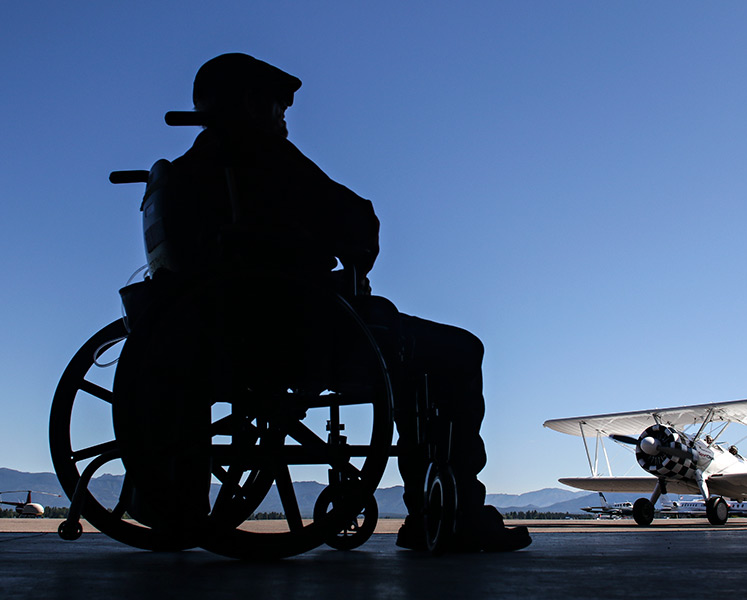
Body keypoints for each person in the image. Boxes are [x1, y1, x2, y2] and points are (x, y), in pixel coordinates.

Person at [153, 53, 530, 552]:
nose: (285, 115)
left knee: (417, 346)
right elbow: (356, 219)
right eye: (278, 104)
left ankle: (435, 511)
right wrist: (348, 267)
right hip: (297, 332)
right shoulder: (262, 157)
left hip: (225, 329)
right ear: (250, 104)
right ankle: (450, 514)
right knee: (459, 350)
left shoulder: (183, 175)